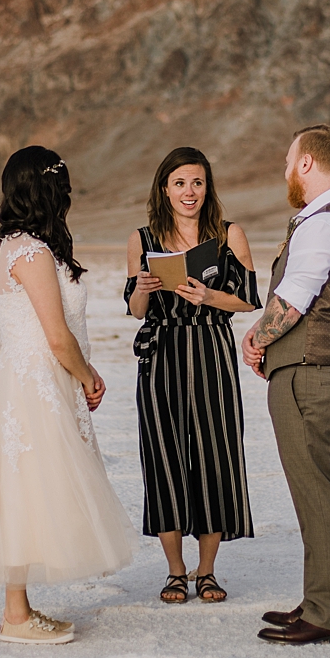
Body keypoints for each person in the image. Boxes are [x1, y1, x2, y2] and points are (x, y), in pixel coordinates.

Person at [0, 146, 133, 644]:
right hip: (36, 384)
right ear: (45, 191)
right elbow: (56, 335)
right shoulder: (31, 252)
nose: (67, 197)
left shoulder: (19, 244)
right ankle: (15, 616)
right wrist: (89, 375)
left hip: (33, 381)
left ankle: (18, 610)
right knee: (28, 491)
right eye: (62, 188)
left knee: (24, 492)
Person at [241, 124, 330, 645]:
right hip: (319, 371)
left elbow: (292, 301)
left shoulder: (322, 225)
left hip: (312, 374)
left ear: (309, 164)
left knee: (318, 494)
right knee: (316, 492)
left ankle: (328, 614)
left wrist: (255, 339)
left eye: (289, 161)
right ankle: (320, 601)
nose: (285, 171)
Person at [124, 146, 260, 605]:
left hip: (211, 351)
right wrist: (143, 289)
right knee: (164, 457)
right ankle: (174, 572)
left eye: (198, 183)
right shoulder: (142, 238)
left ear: (208, 188)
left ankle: (207, 572)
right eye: (180, 183)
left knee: (214, 454)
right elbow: (135, 310)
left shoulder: (228, 235)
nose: (190, 192)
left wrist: (209, 296)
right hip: (161, 355)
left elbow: (247, 300)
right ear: (164, 188)